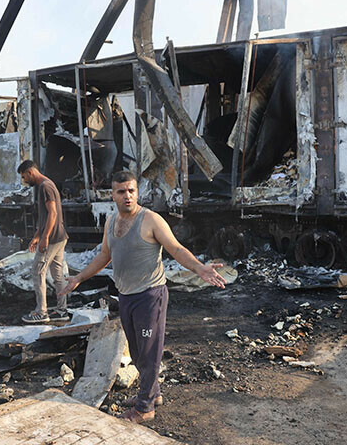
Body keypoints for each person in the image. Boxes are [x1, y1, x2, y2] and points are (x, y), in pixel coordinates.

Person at [61, 170, 227, 423]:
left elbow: (176, 248)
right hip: (126, 296)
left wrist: (199, 268)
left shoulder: (151, 220)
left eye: (131, 190)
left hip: (150, 296)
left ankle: (145, 407)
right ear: (112, 195)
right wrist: (79, 278)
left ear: (137, 192)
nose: (127, 196)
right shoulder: (111, 222)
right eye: (121, 191)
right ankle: (153, 392)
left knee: (149, 352)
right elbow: (104, 255)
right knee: (137, 352)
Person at [17, 159, 70, 323]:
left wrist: (45, 238)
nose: (24, 181)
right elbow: (46, 216)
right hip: (59, 236)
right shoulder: (46, 185)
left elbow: (52, 214)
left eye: (24, 177)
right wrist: (37, 236)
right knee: (58, 275)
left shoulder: (45, 187)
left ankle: (41, 312)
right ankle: (62, 311)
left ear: (31, 172)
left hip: (53, 238)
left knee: (37, 272)